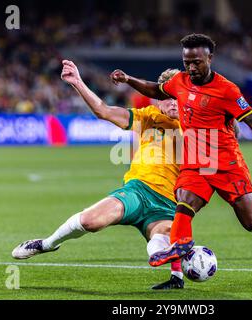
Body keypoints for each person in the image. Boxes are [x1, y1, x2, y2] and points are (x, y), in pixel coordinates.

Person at [110, 33, 252, 267]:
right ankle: (179, 244)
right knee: (184, 201)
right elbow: (155, 90)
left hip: (227, 164)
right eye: (187, 62)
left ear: (210, 58)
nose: (191, 67)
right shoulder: (180, 81)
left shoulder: (227, 90)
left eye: (196, 62)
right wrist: (128, 79)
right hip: (196, 163)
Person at [12, 61, 185, 290]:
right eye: (167, 97)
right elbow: (103, 110)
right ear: (157, 97)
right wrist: (77, 82)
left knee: (160, 244)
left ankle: (177, 278)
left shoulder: (197, 126)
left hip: (167, 205)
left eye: (177, 97)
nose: (173, 103)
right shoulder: (148, 117)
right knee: (89, 222)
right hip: (138, 192)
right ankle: (46, 244)